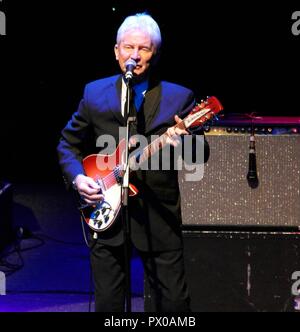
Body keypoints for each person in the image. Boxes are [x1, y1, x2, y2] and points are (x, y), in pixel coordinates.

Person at [57, 12, 208, 312]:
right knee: (109, 304)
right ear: (116, 52)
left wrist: (184, 143)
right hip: (106, 210)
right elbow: (67, 143)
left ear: (156, 54)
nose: (134, 56)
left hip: (158, 216)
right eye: (128, 48)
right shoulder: (94, 93)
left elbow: (199, 154)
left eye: (144, 49)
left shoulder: (179, 98)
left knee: (175, 304)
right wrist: (78, 179)